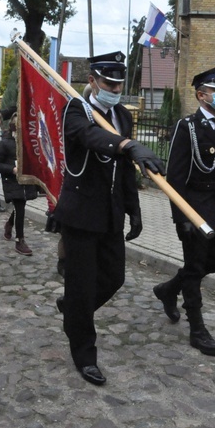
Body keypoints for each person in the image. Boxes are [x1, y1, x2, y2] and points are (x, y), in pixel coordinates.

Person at [53, 51, 165, 386]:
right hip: (81, 214)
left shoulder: (121, 116)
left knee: (113, 278)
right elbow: (89, 137)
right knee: (82, 284)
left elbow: (127, 171)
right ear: (92, 81)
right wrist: (127, 145)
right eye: (108, 83)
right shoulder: (77, 109)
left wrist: (134, 208)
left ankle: (73, 309)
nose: (114, 89)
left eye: (118, 84)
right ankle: (84, 353)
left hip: (111, 213)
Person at [152, 65, 215, 357]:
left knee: (213, 264)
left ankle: (167, 289)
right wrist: (181, 218)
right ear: (202, 96)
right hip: (194, 208)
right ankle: (197, 329)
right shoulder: (186, 127)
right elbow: (174, 177)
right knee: (195, 266)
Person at [0, 113, 37, 256]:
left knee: (21, 206)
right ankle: (20, 240)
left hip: (26, 179)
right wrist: (12, 169)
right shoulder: (6, 143)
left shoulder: (30, 141)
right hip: (12, 180)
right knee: (20, 206)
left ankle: (9, 224)